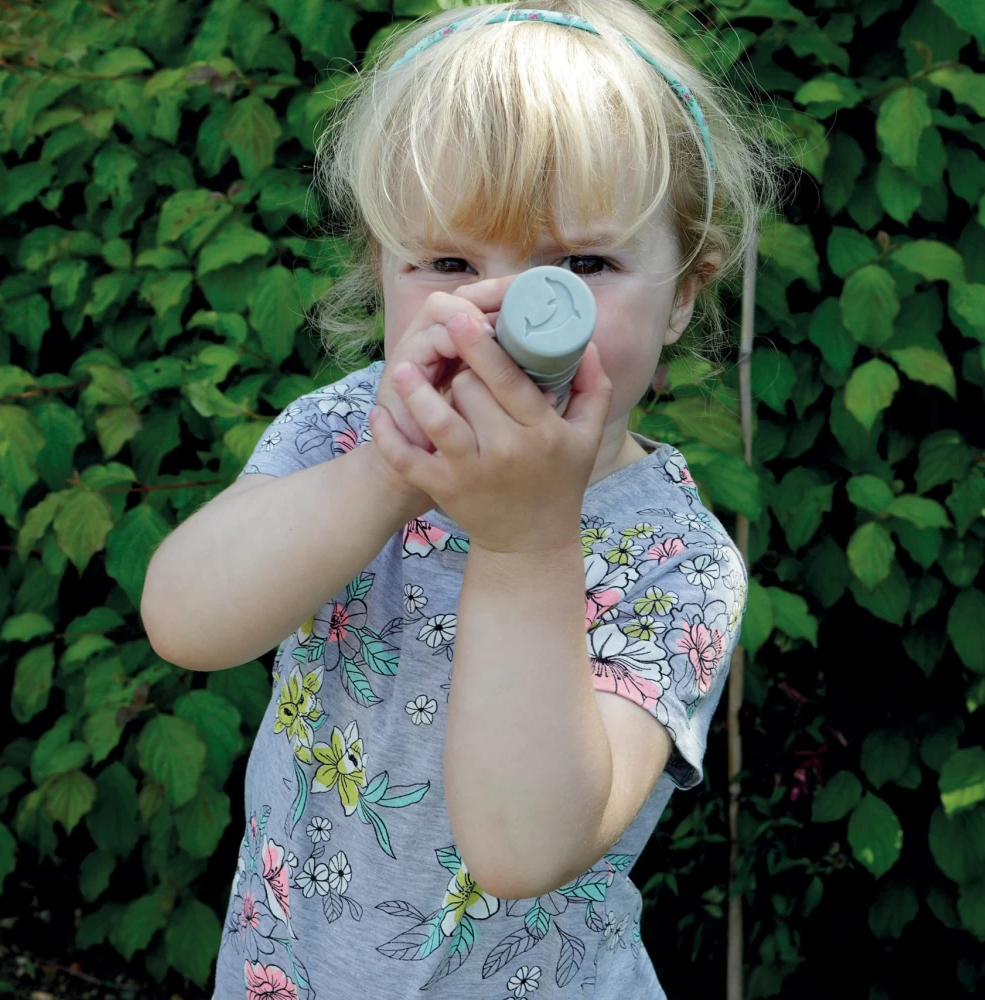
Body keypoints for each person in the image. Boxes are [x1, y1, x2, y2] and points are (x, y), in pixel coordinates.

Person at [140, 2, 778, 996]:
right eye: (449, 264)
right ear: (385, 274)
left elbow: (525, 849)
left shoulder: (672, 561)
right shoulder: (347, 432)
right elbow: (184, 620)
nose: (511, 315)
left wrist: (525, 544)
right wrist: (385, 473)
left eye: (583, 265)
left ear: (684, 292)